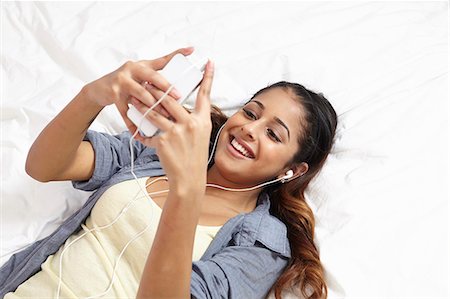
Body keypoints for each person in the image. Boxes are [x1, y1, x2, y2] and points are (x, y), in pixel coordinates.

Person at [2, 47, 337, 299]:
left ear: (291, 171)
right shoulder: (158, 152)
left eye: (274, 134)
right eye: (251, 113)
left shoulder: (264, 243)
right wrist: (94, 95)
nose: (250, 130)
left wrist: (186, 189)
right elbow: (45, 166)